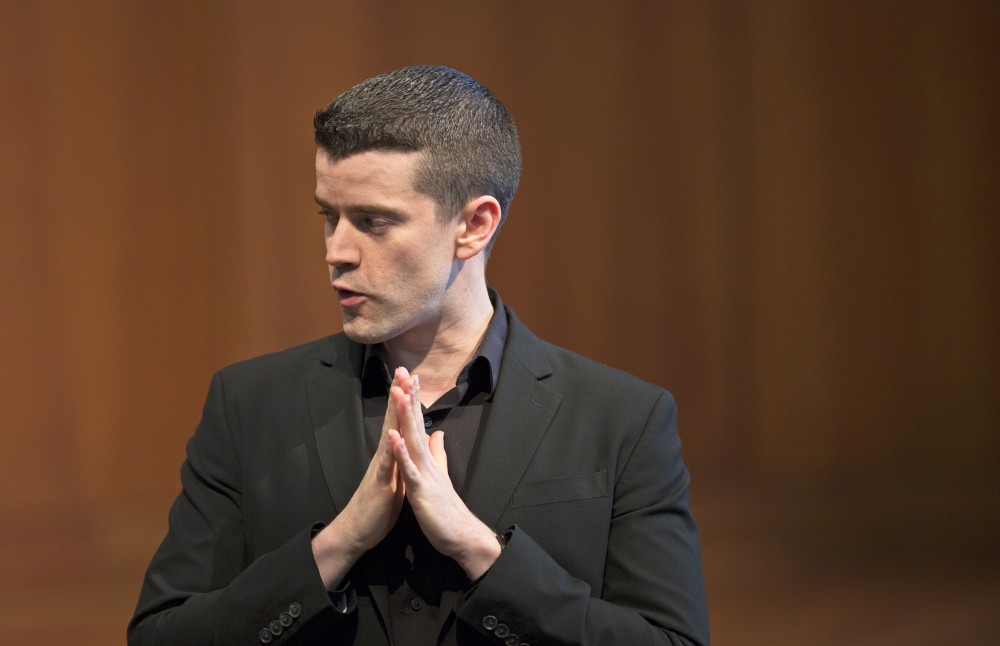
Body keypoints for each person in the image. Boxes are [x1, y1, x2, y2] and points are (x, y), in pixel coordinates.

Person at [128, 65, 709, 646]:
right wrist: (339, 543)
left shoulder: (623, 419)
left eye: (373, 222)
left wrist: (479, 549)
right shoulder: (248, 405)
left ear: (474, 225)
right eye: (328, 216)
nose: (336, 251)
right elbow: (159, 636)